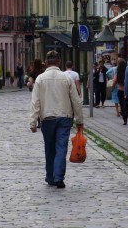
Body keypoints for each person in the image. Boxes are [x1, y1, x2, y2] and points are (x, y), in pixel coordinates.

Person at [29, 51, 84, 189]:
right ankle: (59, 176)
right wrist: (79, 120)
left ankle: (50, 176)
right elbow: (76, 100)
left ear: (46, 63)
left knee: (49, 148)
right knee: (61, 147)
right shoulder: (67, 78)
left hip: (47, 118)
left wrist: (33, 121)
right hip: (64, 117)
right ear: (59, 62)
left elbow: (35, 102)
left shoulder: (40, 79)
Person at [115, 58, 128, 124]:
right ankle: (127, 114)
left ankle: (125, 119)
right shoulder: (127, 71)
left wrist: (112, 87)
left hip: (120, 90)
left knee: (122, 104)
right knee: (127, 104)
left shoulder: (118, 72)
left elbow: (115, 80)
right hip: (127, 91)